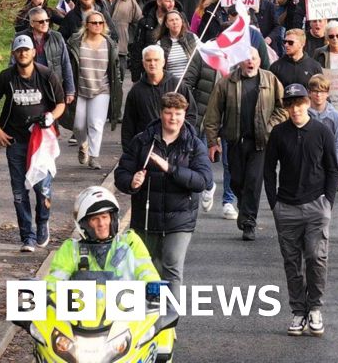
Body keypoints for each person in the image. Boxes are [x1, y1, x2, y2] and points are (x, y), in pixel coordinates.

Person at [113, 92, 212, 294]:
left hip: (180, 218)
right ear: (161, 113)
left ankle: (170, 319)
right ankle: (148, 319)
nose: (173, 118)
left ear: (185, 115)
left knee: (172, 267)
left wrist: (170, 169)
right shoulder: (143, 141)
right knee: (147, 269)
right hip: (146, 216)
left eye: (178, 113)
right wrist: (132, 182)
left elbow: (203, 180)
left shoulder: (194, 144)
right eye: (168, 113)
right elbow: (121, 174)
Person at [263, 83, 338, 337]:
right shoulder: (278, 133)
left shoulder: (322, 131)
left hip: (316, 206)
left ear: (307, 103)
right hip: (286, 207)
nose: (295, 109)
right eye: (290, 104)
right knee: (292, 262)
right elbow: (268, 169)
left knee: (316, 258)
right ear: (285, 107)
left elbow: (332, 169)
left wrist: (327, 202)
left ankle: (315, 307)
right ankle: (298, 311)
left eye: (299, 103)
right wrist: (274, 203)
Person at [0, 35, 66, 252]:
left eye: (26, 50)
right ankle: (27, 236)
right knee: (19, 191)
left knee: (43, 189)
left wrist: (51, 116)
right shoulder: (7, 77)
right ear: (14, 54)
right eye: (19, 50)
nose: (23, 53)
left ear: (33, 52)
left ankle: (42, 223)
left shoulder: (46, 75)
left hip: (41, 142)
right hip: (15, 141)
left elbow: (60, 103)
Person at [204, 53, 287, 240]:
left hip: (261, 141)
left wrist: (270, 127)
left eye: (255, 58)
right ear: (240, 59)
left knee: (253, 181)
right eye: (247, 57)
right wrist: (212, 141)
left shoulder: (270, 79)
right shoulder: (226, 82)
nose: (250, 61)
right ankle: (243, 204)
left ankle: (249, 222)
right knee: (236, 181)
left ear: (260, 60)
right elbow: (213, 114)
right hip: (235, 141)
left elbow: (283, 108)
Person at [45, 186, 160, 286]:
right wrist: (47, 294)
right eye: (95, 219)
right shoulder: (71, 248)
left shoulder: (130, 242)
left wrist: (153, 291)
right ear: (85, 224)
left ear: (113, 219)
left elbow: (148, 273)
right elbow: (54, 282)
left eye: (105, 217)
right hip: (84, 310)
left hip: (124, 308)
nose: (101, 224)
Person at [66, 11, 121, 170]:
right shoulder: (76, 42)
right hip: (80, 88)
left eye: (100, 23)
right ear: (86, 25)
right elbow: (69, 66)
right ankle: (83, 144)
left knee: (96, 124)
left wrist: (117, 86)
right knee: (77, 125)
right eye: (94, 23)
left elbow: (115, 68)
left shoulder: (109, 43)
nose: (97, 26)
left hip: (102, 89)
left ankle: (94, 157)